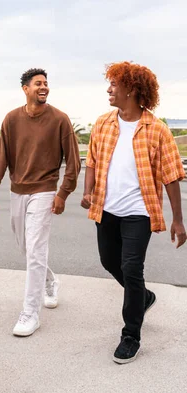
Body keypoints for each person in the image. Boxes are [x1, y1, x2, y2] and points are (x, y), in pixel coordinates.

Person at [81, 61, 186, 364]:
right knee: (108, 261)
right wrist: (87, 191)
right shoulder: (103, 123)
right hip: (107, 208)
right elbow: (92, 162)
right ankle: (144, 297)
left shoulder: (157, 130)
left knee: (131, 268)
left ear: (132, 89)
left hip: (138, 212)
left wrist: (178, 220)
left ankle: (131, 336)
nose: (109, 89)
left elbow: (171, 176)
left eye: (114, 84)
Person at [0, 68, 80, 337]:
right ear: (25, 89)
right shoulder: (12, 119)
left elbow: (73, 162)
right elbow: (2, 156)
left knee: (36, 249)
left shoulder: (60, 119)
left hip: (45, 190)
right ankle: (50, 281)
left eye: (46, 83)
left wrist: (63, 192)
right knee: (26, 248)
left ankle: (30, 313)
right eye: (38, 83)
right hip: (18, 190)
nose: (44, 87)